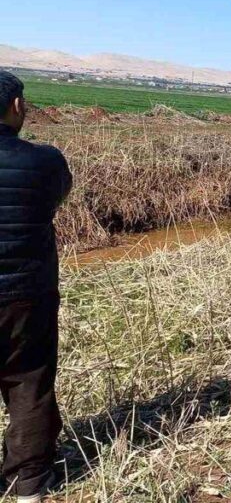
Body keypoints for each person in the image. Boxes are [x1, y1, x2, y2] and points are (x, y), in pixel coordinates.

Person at [0, 70, 72, 503]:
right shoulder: (45, 161)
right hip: (26, 295)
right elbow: (55, 199)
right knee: (29, 381)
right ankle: (27, 483)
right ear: (16, 108)